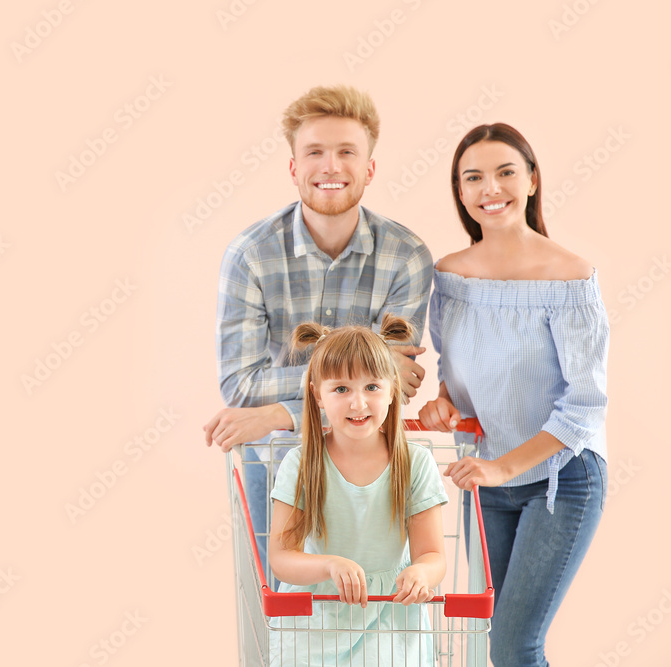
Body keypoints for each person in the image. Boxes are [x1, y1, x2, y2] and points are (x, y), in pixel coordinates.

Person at [203, 85, 434, 573]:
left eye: (347, 152)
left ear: (370, 169)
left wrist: (277, 414)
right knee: (285, 622)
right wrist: (358, 374)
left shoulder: (406, 257)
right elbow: (241, 385)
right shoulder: (250, 255)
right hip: (275, 469)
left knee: (377, 613)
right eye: (315, 152)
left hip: (374, 470)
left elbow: (393, 386)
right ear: (293, 168)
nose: (331, 167)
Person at [418, 123, 608, 667]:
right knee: (493, 645)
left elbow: (585, 406)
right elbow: (454, 377)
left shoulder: (569, 276)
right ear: (460, 192)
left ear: (531, 181)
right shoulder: (450, 276)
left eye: (505, 172)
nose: (489, 188)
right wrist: (444, 404)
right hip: (486, 485)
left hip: (560, 479)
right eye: (472, 177)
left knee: (513, 646)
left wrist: (503, 468)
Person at [268, 315, 448, 666]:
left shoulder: (416, 463)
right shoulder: (301, 464)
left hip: (389, 618)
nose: (358, 403)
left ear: (392, 389)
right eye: (341, 389)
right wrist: (330, 565)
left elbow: (433, 555)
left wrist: (421, 573)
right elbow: (281, 557)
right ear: (317, 395)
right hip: (315, 620)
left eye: (371, 387)